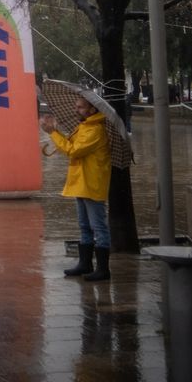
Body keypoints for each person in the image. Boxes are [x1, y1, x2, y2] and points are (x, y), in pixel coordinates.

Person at [41, 95, 112, 281]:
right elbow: (71, 145)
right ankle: (85, 263)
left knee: (98, 227)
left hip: (91, 184)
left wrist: (52, 133)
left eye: (80, 107)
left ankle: (103, 269)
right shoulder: (84, 127)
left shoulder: (95, 130)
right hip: (80, 182)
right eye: (76, 106)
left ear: (92, 110)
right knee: (84, 226)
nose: (76, 110)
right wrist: (56, 131)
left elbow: (73, 150)